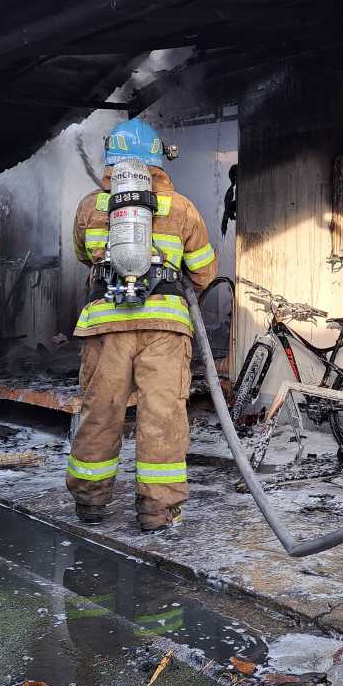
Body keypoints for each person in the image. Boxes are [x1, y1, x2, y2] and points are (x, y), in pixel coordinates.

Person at [67, 118, 218, 532]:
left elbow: (82, 255)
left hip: (105, 327)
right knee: (162, 417)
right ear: (158, 159)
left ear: (110, 159)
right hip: (165, 329)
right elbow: (204, 271)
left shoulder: (90, 207)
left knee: (101, 412)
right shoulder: (181, 208)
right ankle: (157, 511)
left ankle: (90, 502)